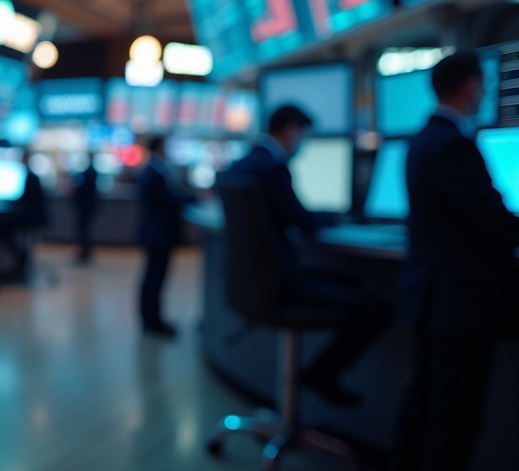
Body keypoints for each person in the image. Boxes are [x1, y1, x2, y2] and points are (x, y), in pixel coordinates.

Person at [392, 52, 519, 471]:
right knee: (455, 415)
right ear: (470, 86)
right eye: (482, 84)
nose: (483, 92)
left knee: (424, 399)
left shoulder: (422, 139)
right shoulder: (454, 145)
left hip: (430, 296)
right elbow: (494, 223)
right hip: (461, 304)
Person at [225, 105, 390, 406]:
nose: (302, 145)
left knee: (348, 281)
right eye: (304, 137)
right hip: (281, 284)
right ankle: (322, 373)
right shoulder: (273, 167)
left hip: (253, 284)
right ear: (291, 130)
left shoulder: (241, 165)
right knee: (377, 310)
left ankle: (317, 375)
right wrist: (333, 217)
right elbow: (305, 223)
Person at [136, 137, 197, 338]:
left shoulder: (152, 170)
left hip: (154, 233)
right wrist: (196, 197)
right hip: (159, 234)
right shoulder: (155, 173)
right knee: (155, 278)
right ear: (158, 147)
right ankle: (153, 322)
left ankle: (150, 319)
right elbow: (170, 199)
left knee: (152, 276)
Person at [0, 151, 48, 281]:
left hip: (31, 217)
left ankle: (22, 258)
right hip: (32, 215)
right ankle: (21, 259)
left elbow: (26, 200)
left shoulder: (30, 177)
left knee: (3, 228)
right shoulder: (31, 176)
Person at [72, 155, 100, 263]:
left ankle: (84, 252)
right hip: (88, 206)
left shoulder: (87, 173)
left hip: (85, 206)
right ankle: (85, 251)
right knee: (86, 230)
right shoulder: (92, 171)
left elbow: (82, 189)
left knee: (84, 230)